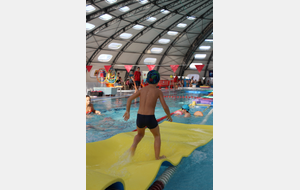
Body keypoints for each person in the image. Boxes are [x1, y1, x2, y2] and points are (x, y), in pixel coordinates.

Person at [123, 70, 172, 160]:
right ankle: (157, 157)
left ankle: (133, 146)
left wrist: (127, 111)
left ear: (147, 80)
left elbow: (129, 99)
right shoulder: (158, 92)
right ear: (158, 81)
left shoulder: (142, 90)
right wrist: (168, 115)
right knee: (157, 136)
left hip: (140, 117)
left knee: (140, 134)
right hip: (150, 117)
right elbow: (165, 106)